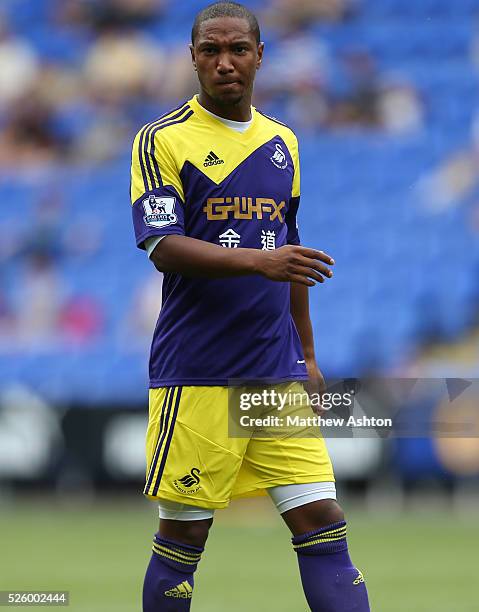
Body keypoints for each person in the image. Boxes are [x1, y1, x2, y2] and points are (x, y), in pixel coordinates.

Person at [129, 2, 370, 610]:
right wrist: (258, 261)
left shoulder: (282, 142)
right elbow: (163, 247)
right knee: (184, 535)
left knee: (323, 522)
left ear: (261, 56)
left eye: (238, 49)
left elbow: (291, 258)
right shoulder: (162, 139)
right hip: (199, 373)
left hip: (275, 373)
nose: (225, 62)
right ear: (192, 58)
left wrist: (308, 354)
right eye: (211, 50)